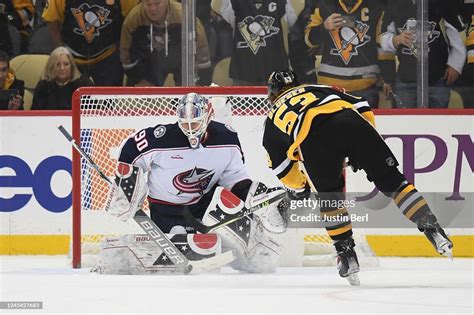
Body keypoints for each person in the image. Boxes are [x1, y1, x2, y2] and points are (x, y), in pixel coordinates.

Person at [262, 70, 453, 285]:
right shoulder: (320, 89)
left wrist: (300, 187)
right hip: (354, 123)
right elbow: (362, 106)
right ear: (298, 83)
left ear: (272, 93)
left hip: (313, 137)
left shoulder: (272, 118)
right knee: (393, 181)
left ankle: (347, 257)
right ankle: (431, 227)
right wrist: (360, 146)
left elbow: (282, 167)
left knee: (330, 200)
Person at [104, 92, 284, 274]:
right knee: (178, 236)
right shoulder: (161, 137)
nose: (190, 129)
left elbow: (234, 179)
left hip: (203, 205)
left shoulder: (227, 139)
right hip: (165, 209)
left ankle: (250, 247)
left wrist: (252, 196)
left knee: (229, 206)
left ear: (207, 118)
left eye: (195, 123)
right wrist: (125, 184)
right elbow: (130, 149)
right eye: (185, 124)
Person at [304, 0, 392, 108]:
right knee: (332, 124)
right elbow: (309, 42)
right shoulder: (324, 5)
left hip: (366, 86)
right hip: (330, 87)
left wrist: (388, 78)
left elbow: (383, 44)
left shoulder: (376, 6)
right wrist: (324, 27)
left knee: (363, 124)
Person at [380, 0, 466, 108]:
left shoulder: (443, 2)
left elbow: (457, 32)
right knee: (405, 122)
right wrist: (396, 39)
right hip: (406, 78)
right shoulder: (395, 3)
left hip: (437, 76)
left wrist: (455, 65)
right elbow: (382, 36)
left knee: (438, 121)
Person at [42, 0, 138, 86]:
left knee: (109, 103)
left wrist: (123, 52)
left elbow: (133, 20)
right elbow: (52, 21)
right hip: (72, 59)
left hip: (108, 58)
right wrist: (61, 52)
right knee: (70, 103)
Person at [120, 0, 212, 86]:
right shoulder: (132, 20)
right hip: (148, 65)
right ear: (141, 2)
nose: (153, 8)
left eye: (157, 3)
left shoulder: (185, 16)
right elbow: (126, 55)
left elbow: (201, 51)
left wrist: (202, 82)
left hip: (181, 65)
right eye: (148, 4)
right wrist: (138, 79)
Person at [211, 0, 302, 85]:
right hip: (243, 75)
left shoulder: (283, 4)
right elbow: (215, 5)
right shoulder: (236, 4)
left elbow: (299, 4)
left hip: (277, 76)